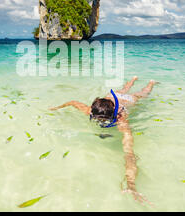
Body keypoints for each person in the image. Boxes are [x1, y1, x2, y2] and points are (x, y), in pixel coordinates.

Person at [49, 76, 157, 204]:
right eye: (97, 119)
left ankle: (151, 82)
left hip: (128, 100)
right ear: (92, 112)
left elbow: (129, 153)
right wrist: (57, 108)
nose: (100, 122)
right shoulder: (89, 110)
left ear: (114, 115)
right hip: (113, 97)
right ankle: (133, 80)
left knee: (142, 93)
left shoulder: (122, 121)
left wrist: (131, 183)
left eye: (103, 120)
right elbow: (72, 102)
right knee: (124, 88)